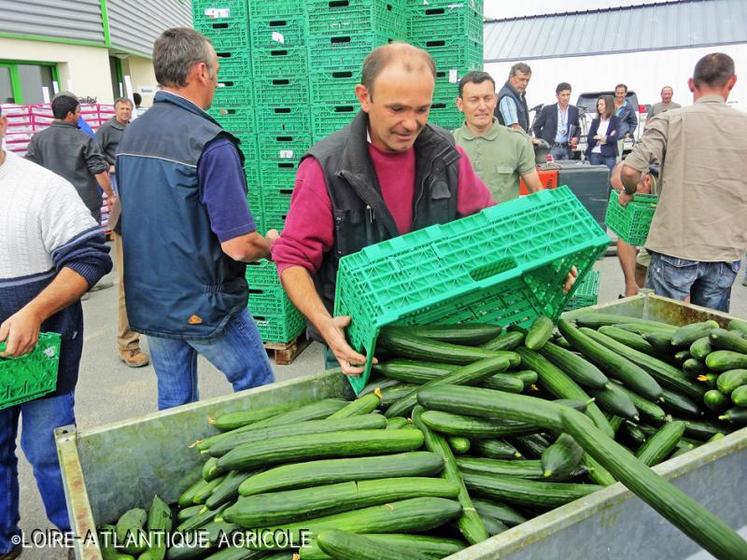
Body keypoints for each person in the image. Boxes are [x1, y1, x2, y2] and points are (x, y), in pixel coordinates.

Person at [272, 43, 578, 375]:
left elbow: (488, 224)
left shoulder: (446, 154)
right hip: (359, 342)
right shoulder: (327, 167)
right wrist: (324, 322)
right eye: (397, 109)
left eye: (422, 109)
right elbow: (293, 258)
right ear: (364, 97)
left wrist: (541, 259)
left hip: (436, 329)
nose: (410, 123)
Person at [116, 28, 277, 410]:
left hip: (151, 300)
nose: (217, 79)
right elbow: (238, 245)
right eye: (216, 69)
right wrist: (273, 246)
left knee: (175, 401)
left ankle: (182, 468)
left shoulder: (131, 136)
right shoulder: (211, 143)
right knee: (260, 389)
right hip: (205, 302)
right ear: (201, 71)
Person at [0, 104, 113, 560]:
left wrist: (32, 312)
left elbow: (90, 258)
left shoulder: (42, 189)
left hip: (42, 352)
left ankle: (74, 535)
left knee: (48, 451)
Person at [620, 52, 747, 312]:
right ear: (731, 82)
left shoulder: (670, 120)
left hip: (675, 246)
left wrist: (629, 192)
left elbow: (631, 170)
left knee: (664, 334)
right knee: (709, 333)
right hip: (725, 250)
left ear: (691, 84)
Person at [95, 98, 150, 368]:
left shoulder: (139, 133)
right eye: (122, 109)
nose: (126, 113)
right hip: (128, 219)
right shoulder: (115, 136)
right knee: (128, 283)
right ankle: (128, 344)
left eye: (129, 109)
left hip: (155, 219)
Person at [453, 71, 544, 203]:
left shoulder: (517, 142)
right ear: (460, 104)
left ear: (495, 100)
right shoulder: (448, 144)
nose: (482, 107)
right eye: (474, 100)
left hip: (505, 223)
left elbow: (536, 189)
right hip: (464, 223)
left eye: (487, 98)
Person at [26, 94, 115, 227]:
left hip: (53, 204)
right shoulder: (84, 139)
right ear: (70, 114)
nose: (79, 116)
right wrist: (110, 195)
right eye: (78, 112)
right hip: (85, 203)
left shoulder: (38, 139)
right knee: (90, 242)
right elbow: (98, 171)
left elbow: (30, 170)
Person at [610, 161, 659, 296]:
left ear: (647, 180)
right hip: (653, 230)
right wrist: (630, 283)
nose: (624, 199)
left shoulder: (666, 187)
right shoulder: (631, 198)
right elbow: (625, 235)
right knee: (638, 267)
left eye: (627, 192)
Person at [532, 82, 580, 160]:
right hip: (551, 148)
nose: (566, 98)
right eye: (563, 95)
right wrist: (543, 141)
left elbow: (577, 128)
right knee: (552, 170)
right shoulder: (548, 110)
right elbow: (536, 126)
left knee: (566, 170)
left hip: (566, 148)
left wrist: (576, 138)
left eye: (568, 95)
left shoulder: (574, 110)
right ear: (557, 96)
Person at [585, 95, 620, 172]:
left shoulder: (615, 120)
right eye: (598, 105)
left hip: (609, 155)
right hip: (594, 154)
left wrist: (601, 137)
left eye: (601, 105)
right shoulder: (595, 121)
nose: (599, 107)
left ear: (608, 105)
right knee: (596, 179)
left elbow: (614, 138)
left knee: (609, 178)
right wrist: (604, 139)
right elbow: (589, 139)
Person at [495, 62, 532, 133]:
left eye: (527, 80)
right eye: (521, 79)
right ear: (511, 78)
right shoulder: (507, 98)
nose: (525, 83)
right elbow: (513, 128)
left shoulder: (519, 96)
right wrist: (530, 139)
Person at [613, 83, 638, 159]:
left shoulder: (629, 107)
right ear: (615, 93)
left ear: (625, 93)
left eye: (622, 93)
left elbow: (634, 122)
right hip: (606, 137)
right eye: (618, 93)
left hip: (619, 138)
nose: (619, 95)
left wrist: (628, 133)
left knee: (617, 160)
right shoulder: (609, 104)